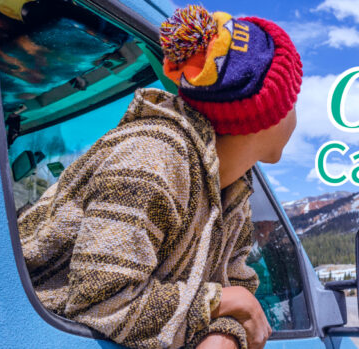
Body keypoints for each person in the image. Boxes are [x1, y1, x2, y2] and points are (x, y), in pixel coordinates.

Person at [17, 4, 302, 349]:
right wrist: (225, 303)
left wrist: (225, 334)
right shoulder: (152, 157)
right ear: (267, 112)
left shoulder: (234, 197)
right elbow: (102, 301)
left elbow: (242, 301)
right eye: (294, 95)